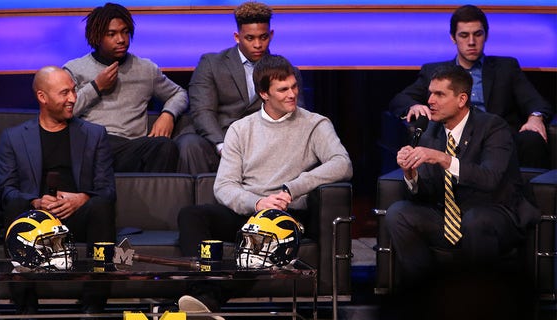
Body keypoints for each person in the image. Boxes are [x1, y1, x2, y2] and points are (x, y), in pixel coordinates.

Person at [177, 54, 352, 317]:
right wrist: (256, 202)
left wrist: (291, 188)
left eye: (294, 87)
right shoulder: (240, 129)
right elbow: (224, 186)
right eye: (283, 89)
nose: (292, 94)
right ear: (263, 93)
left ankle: (203, 301)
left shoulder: (315, 124)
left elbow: (342, 163)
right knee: (191, 215)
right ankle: (202, 294)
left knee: (262, 237)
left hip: (285, 215)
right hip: (249, 210)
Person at [385, 65, 538, 320]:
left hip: (496, 214)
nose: (430, 101)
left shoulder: (493, 127)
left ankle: (480, 307)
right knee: (398, 213)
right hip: (450, 216)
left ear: (462, 99)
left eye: (439, 95)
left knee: (476, 219)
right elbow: (425, 194)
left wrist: (444, 159)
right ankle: (429, 299)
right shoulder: (429, 131)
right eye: (430, 94)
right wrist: (410, 172)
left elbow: (489, 179)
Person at [0, 66, 116, 315]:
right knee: (16, 207)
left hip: (78, 217)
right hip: (36, 219)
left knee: (101, 206)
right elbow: (6, 190)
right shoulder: (14, 138)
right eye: (65, 93)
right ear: (42, 97)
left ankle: (93, 305)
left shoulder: (94, 135)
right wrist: (36, 203)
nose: (73, 98)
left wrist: (81, 199)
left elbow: (107, 190)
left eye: (73, 91)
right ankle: (26, 306)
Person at [389, 4, 553, 169]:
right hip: (453, 140)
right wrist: (414, 105)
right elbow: (399, 100)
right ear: (453, 38)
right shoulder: (435, 72)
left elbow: (535, 101)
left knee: (532, 138)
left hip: (497, 139)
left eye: (478, 34)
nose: (472, 42)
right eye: (464, 35)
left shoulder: (506, 67)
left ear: (486, 35)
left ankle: (531, 193)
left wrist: (535, 117)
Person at [176, 1, 304, 174]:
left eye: (263, 37)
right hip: (217, 139)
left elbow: (296, 114)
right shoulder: (211, 64)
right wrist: (222, 145)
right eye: (250, 38)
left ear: (271, 35)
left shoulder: (286, 71)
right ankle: (199, 202)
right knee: (190, 144)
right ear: (237, 37)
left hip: (262, 142)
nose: (258, 45)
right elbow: (202, 111)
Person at [64, 2, 188, 173]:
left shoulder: (145, 69)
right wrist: (96, 86)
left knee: (165, 146)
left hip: (132, 147)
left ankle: (156, 199)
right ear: (97, 37)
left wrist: (168, 115)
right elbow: (64, 111)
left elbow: (179, 94)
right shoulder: (75, 69)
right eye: (112, 34)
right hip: (94, 144)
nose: (121, 39)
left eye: (125, 32)